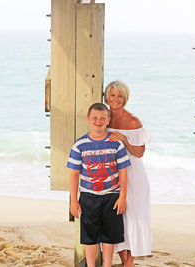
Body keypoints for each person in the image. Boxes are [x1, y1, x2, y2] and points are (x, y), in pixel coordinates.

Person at [67, 103, 131, 267]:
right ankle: (91, 264)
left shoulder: (116, 144)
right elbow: (74, 174)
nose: (98, 121)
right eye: (95, 117)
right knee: (90, 236)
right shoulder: (79, 145)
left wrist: (122, 196)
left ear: (108, 120)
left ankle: (107, 265)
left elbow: (123, 171)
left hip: (112, 196)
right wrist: (74, 200)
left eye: (103, 118)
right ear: (89, 119)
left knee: (109, 236)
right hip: (88, 197)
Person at [104, 80, 153, 267]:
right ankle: (124, 261)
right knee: (119, 219)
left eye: (120, 95)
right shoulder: (104, 117)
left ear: (126, 98)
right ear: (107, 96)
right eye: (113, 95)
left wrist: (124, 139)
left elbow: (140, 152)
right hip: (112, 175)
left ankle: (129, 262)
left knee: (134, 216)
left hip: (133, 174)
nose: (116, 99)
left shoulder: (133, 120)